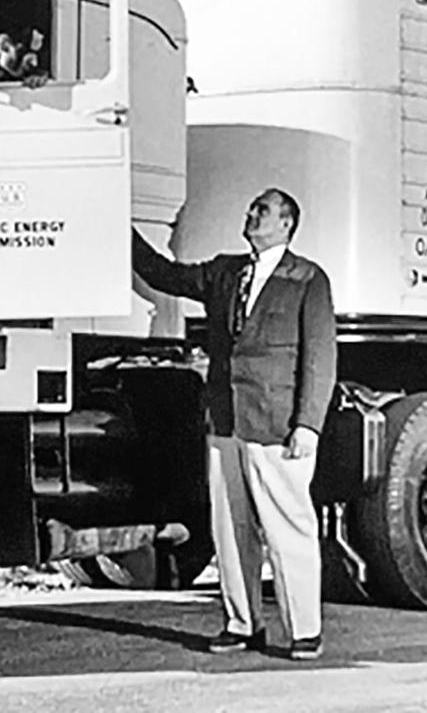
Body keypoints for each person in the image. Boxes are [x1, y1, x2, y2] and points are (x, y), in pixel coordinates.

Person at [131, 189, 337, 661]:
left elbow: (320, 357)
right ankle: (242, 624)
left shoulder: (308, 279)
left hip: (276, 423)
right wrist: (122, 233)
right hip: (225, 419)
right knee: (230, 528)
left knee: (288, 528)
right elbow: (162, 274)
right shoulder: (225, 271)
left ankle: (305, 630)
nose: (251, 214)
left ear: (286, 223)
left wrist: (308, 424)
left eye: (262, 210)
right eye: (251, 208)